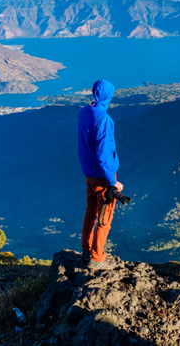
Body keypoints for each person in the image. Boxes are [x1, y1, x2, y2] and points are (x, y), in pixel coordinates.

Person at [78, 79, 123, 269]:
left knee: (90, 212)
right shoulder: (103, 119)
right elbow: (104, 154)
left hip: (89, 174)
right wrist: (113, 181)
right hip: (102, 177)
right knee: (104, 218)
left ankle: (86, 250)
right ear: (109, 96)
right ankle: (97, 258)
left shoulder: (85, 112)